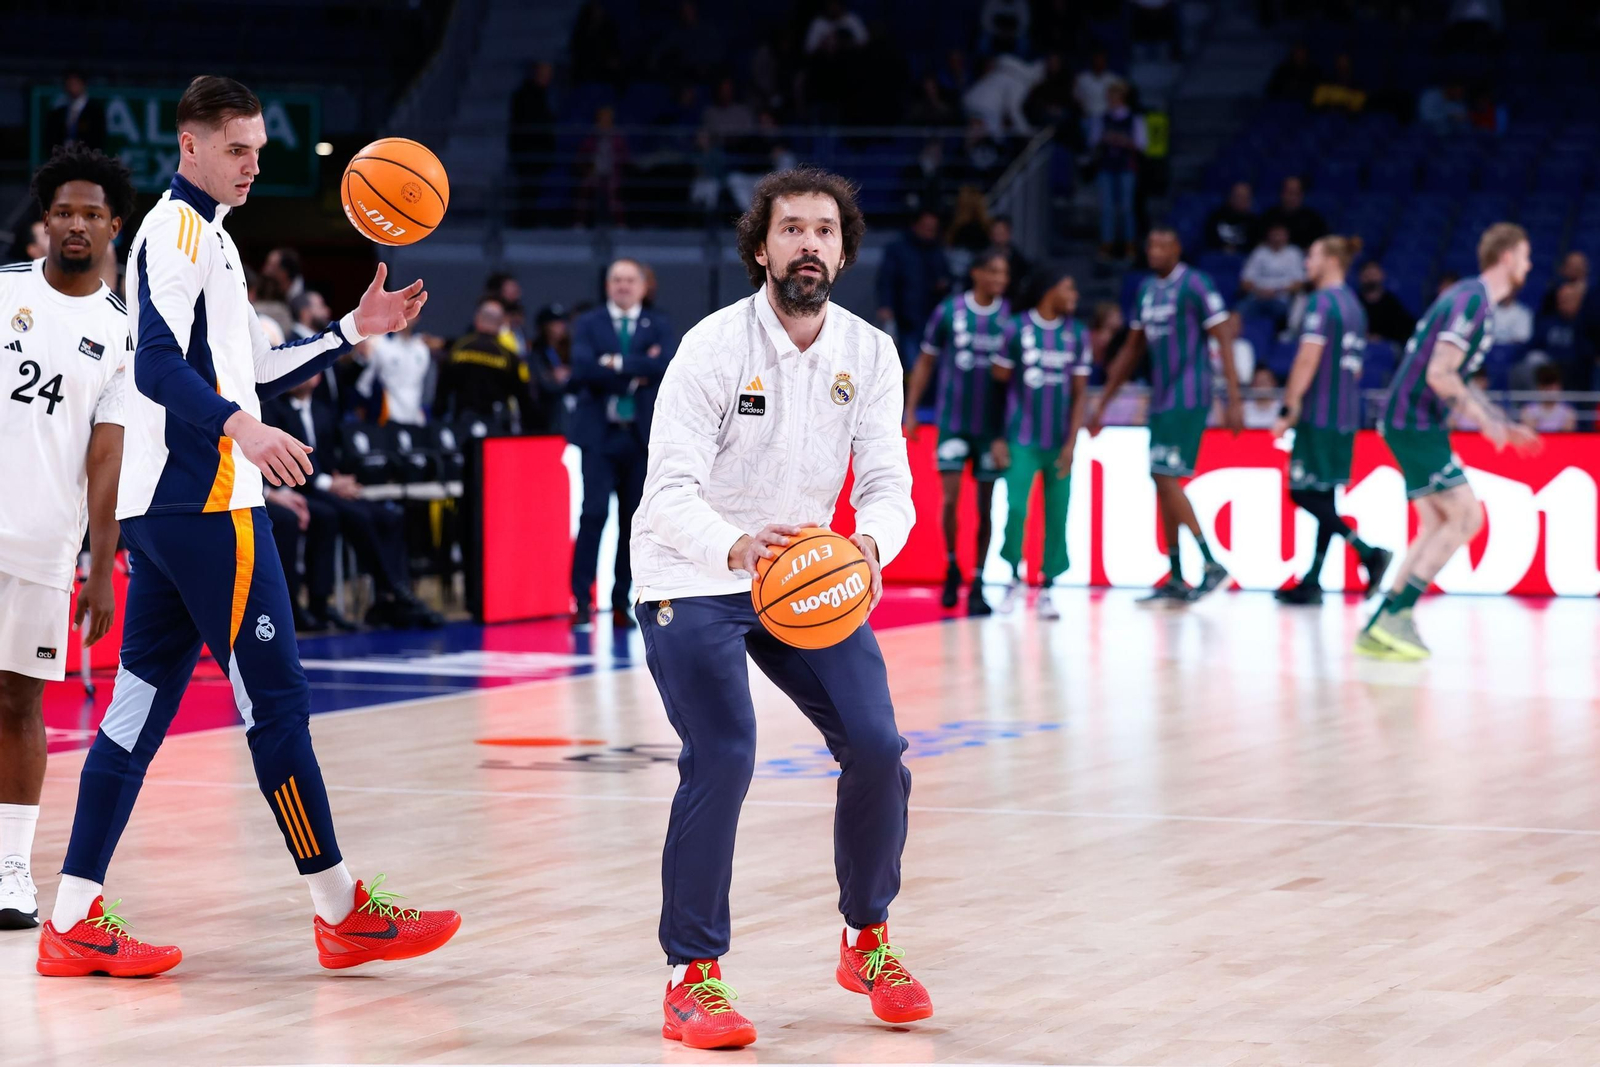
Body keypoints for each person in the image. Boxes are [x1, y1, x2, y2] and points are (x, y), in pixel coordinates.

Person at [42, 76, 458, 977]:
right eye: (238, 150)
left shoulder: (211, 239)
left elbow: (251, 369)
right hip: (207, 501)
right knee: (278, 704)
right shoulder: (175, 232)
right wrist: (243, 429)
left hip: (167, 508)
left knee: (136, 710)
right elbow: (156, 367)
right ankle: (341, 910)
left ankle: (72, 914)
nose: (254, 165)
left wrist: (354, 326)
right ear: (188, 147)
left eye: (260, 150)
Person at [632, 167, 927, 1048]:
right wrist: (734, 544)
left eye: (825, 231)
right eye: (792, 229)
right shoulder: (712, 347)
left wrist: (871, 543)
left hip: (805, 575)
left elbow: (888, 483)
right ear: (761, 247)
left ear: (843, 248)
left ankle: (866, 938)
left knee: (878, 748)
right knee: (724, 751)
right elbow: (668, 488)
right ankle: (693, 978)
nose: (809, 243)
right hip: (693, 570)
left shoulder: (869, 353)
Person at [0, 145, 132, 929]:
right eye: (63, 211)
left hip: (46, 544)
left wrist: (104, 567)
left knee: (19, 702)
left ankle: (12, 869)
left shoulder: (120, 333)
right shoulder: (1, 293)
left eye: (90, 213)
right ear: (44, 221)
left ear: (113, 225)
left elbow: (105, 457)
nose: (76, 223)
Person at [1359, 223, 1538, 660]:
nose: (1530, 265)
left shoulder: (1471, 299)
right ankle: (1397, 617)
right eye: (1526, 256)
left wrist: (1497, 420)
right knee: (1466, 517)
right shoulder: (1472, 300)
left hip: (1416, 422)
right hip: (1413, 420)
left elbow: (1449, 374)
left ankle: (1381, 623)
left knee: (1438, 523)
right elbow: (1440, 373)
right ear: (1508, 257)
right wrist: (1486, 422)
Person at [1088, 227, 1241, 602]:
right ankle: (1176, 576)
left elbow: (1222, 336)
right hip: (1161, 396)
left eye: (1161, 245)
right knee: (1160, 478)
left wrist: (1233, 397)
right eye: (1150, 244)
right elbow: (1131, 351)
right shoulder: (1146, 290)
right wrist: (1103, 401)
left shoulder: (1196, 284)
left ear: (1177, 247)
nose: (1154, 251)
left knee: (1165, 474)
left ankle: (1211, 562)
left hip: (1190, 394)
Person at [261, 374, 441, 631]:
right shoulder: (274, 410)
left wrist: (340, 480)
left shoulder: (323, 411)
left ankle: (389, 597)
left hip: (325, 486)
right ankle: (385, 590)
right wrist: (327, 483)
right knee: (336, 516)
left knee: (389, 517)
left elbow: (331, 455)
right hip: (297, 487)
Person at [1271, 235, 1393, 605]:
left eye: (1310, 255)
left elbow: (1308, 359)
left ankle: (1368, 551)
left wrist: (1289, 408)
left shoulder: (1321, 303)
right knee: (1325, 495)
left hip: (1319, 412)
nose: (1305, 263)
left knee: (1302, 492)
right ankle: (1313, 579)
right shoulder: (1354, 306)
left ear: (1331, 260)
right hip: (1345, 413)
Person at [568, 259, 675, 631]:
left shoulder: (659, 323)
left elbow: (665, 367)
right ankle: (581, 600)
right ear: (607, 285)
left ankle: (619, 602)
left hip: (639, 437)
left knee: (634, 524)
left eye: (630, 280)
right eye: (616, 280)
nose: (623, 286)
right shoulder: (589, 322)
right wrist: (634, 370)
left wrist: (613, 364)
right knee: (593, 515)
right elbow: (581, 369)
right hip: (599, 435)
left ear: (643, 286)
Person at [903, 248, 1010, 614]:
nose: (1000, 280)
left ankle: (979, 581)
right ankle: (952, 566)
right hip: (953, 424)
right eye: (994, 271)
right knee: (950, 500)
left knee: (986, 508)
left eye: (1004, 274)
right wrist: (912, 409)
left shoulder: (1011, 318)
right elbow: (927, 361)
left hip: (990, 429)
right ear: (977, 272)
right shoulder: (950, 312)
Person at [990, 265, 1094, 619]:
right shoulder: (1016, 329)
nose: (1075, 297)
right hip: (1021, 438)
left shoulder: (1077, 334)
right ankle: (1013, 577)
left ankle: (1048, 586)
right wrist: (997, 437)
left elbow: (1080, 395)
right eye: (1070, 288)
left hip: (1058, 441)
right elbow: (997, 385)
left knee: (1058, 513)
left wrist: (1072, 442)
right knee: (1017, 509)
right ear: (1051, 289)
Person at [435, 297, 537, 429]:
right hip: (496, 428)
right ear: (501, 324)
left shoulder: (459, 348)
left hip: (462, 424)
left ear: (477, 320)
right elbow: (525, 398)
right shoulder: (509, 356)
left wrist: (438, 418)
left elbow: (442, 389)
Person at [875, 209, 950, 367]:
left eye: (933, 228)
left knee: (933, 364)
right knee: (911, 362)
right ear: (916, 226)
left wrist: (943, 284)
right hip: (907, 316)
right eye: (926, 227)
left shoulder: (938, 250)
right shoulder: (898, 249)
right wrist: (885, 305)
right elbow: (886, 279)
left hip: (933, 316)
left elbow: (946, 277)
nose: (930, 231)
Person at [1088, 80, 1145, 261]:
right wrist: (1105, 138)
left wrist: (1124, 141)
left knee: (1127, 208)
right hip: (1107, 167)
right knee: (1107, 208)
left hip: (1126, 167)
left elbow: (1142, 144)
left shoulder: (1134, 119)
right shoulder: (1101, 118)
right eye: (1109, 95)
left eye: (1114, 95)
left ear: (1122, 97)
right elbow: (1092, 141)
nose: (1111, 99)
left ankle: (1129, 245)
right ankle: (1107, 244)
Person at [355, 321, 438, 426]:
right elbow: (363, 386)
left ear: (418, 317)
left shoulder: (422, 348)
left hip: (415, 419)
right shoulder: (379, 343)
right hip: (387, 419)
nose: (406, 315)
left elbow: (427, 387)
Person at [1237, 223, 1306, 329]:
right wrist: (1260, 291)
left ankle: (1280, 339)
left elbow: (1299, 284)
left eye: (1280, 235)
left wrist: (1276, 291)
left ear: (1287, 236)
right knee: (1237, 312)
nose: (1277, 238)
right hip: (1257, 296)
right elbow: (1245, 283)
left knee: (1285, 314)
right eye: (1275, 235)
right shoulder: (1259, 252)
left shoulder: (1294, 253)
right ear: (1268, 236)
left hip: (1281, 298)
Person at [43, 72, 106, 154]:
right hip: (62, 159)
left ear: (83, 84)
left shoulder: (95, 112)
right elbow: (50, 139)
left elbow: (98, 139)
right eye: (69, 84)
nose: (72, 87)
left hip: (86, 160)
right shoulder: (57, 113)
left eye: (75, 83)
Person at [1259, 176, 1327, 251]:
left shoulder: (1313, 218)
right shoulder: (1269, 216)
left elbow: (1323, 243)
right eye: (1289, 192)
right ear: (1281, 193)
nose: (1292, 197)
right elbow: (1259, 243)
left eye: (1296, 193)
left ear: (1302, 195)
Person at [1357, 262, 1415, 344]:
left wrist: (1382, 338)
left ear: (1381, 275)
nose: (1371, 279)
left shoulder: (1392, 304)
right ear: (1361, 277)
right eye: (1367, 275)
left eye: (1374, 274)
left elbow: (1404, 330)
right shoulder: (1355, 303)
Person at [1205, 181, 1259, 254]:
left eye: (1245, 197)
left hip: (1243, 258)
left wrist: (1237, 249)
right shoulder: (1217, 216)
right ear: (1231, 197)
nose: (1241, 200)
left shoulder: (1254, 221)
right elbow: (1210, 239)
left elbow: (1254, 245)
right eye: (1238, 196)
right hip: (1219, 255)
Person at [1521, 362, 1577, 432]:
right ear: (1539, 387)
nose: (1549, 390)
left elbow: (1568, 429)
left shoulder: (1568, 411)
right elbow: (1529, 429)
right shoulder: (1528, 410)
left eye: (1552, 387)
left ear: (1559, 386)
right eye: (1546, 387)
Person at [988, 215, 1032, 302]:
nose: (998, 238)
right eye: (996, 234)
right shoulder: (983, 258)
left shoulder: (1018, 259)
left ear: (1008, 233)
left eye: (1001, 233)